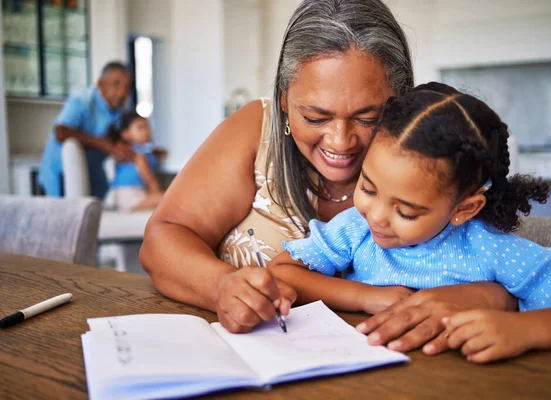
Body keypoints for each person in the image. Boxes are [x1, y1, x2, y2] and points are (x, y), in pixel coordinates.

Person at [140, 0, 517, 355]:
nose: (340, 142)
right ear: (285, 99)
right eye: (315, 117)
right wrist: (221, 286)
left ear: (402, 101)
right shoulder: (256, 131)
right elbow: (164, 237)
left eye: (367, 118)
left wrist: (492, 296)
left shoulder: (429, 161)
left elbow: (493, 259)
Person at [268, 82, 551, 363]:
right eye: (367, 187)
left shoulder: (489, 248)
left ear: (465, 209)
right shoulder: (356, 228)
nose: (377, 215)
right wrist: (363, 296)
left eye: (407, 211)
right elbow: (282, 272)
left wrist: (524, 331)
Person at [38, 61, 133, 198]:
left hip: (92, 175)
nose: (122, 93)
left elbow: (113, 138)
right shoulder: (82, 101)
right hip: (61, 175)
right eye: (116, 84)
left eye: (127, 87)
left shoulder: (117, 110)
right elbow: (61, 132)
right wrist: (104, 144)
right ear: (101, 84)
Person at [106, 110, 164, 212]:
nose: (147, 131)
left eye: (147, 127)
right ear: (126, 134)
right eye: (140, 128)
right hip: (131, 198)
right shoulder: (138, 156)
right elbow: (151, 182)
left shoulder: (139, 152)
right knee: (170, 197)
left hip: (134, 194)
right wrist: (160, 196)